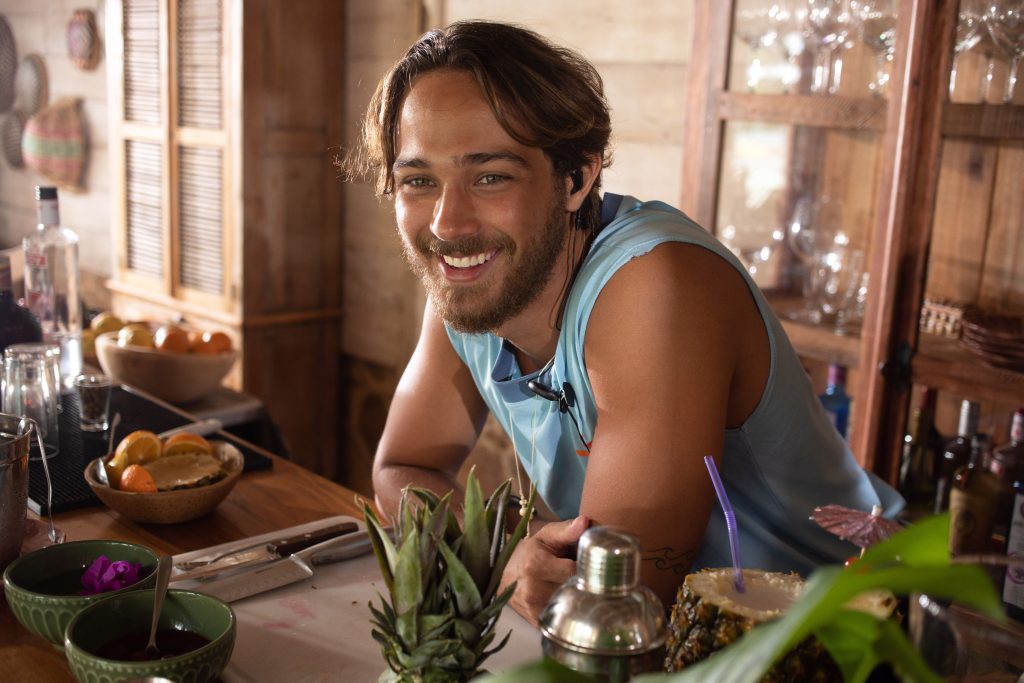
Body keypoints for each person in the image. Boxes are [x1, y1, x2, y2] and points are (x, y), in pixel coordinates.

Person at [342, 20, 903, 627]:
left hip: (845, 629)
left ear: (576, 178)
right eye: (419, 181)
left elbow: (620, 600)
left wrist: (498, 558)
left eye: (490, 176)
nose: (448, 224)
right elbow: (400, 472)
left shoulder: (657, 283)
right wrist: (508, 559)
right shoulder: (473, 282)